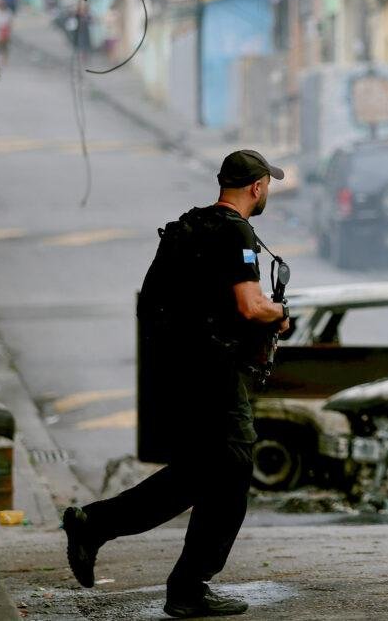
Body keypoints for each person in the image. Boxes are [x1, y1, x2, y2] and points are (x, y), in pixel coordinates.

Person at [61, 150, 289, 619]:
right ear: (257, 187)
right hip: (213, 374)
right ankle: (186, 585)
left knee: (198, 475)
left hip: (175, 375)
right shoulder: (235, 232)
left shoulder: (188, 228)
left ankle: (96, 526)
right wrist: (281, 313)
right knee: (232, 469)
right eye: (268, 184)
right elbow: (250, 306)